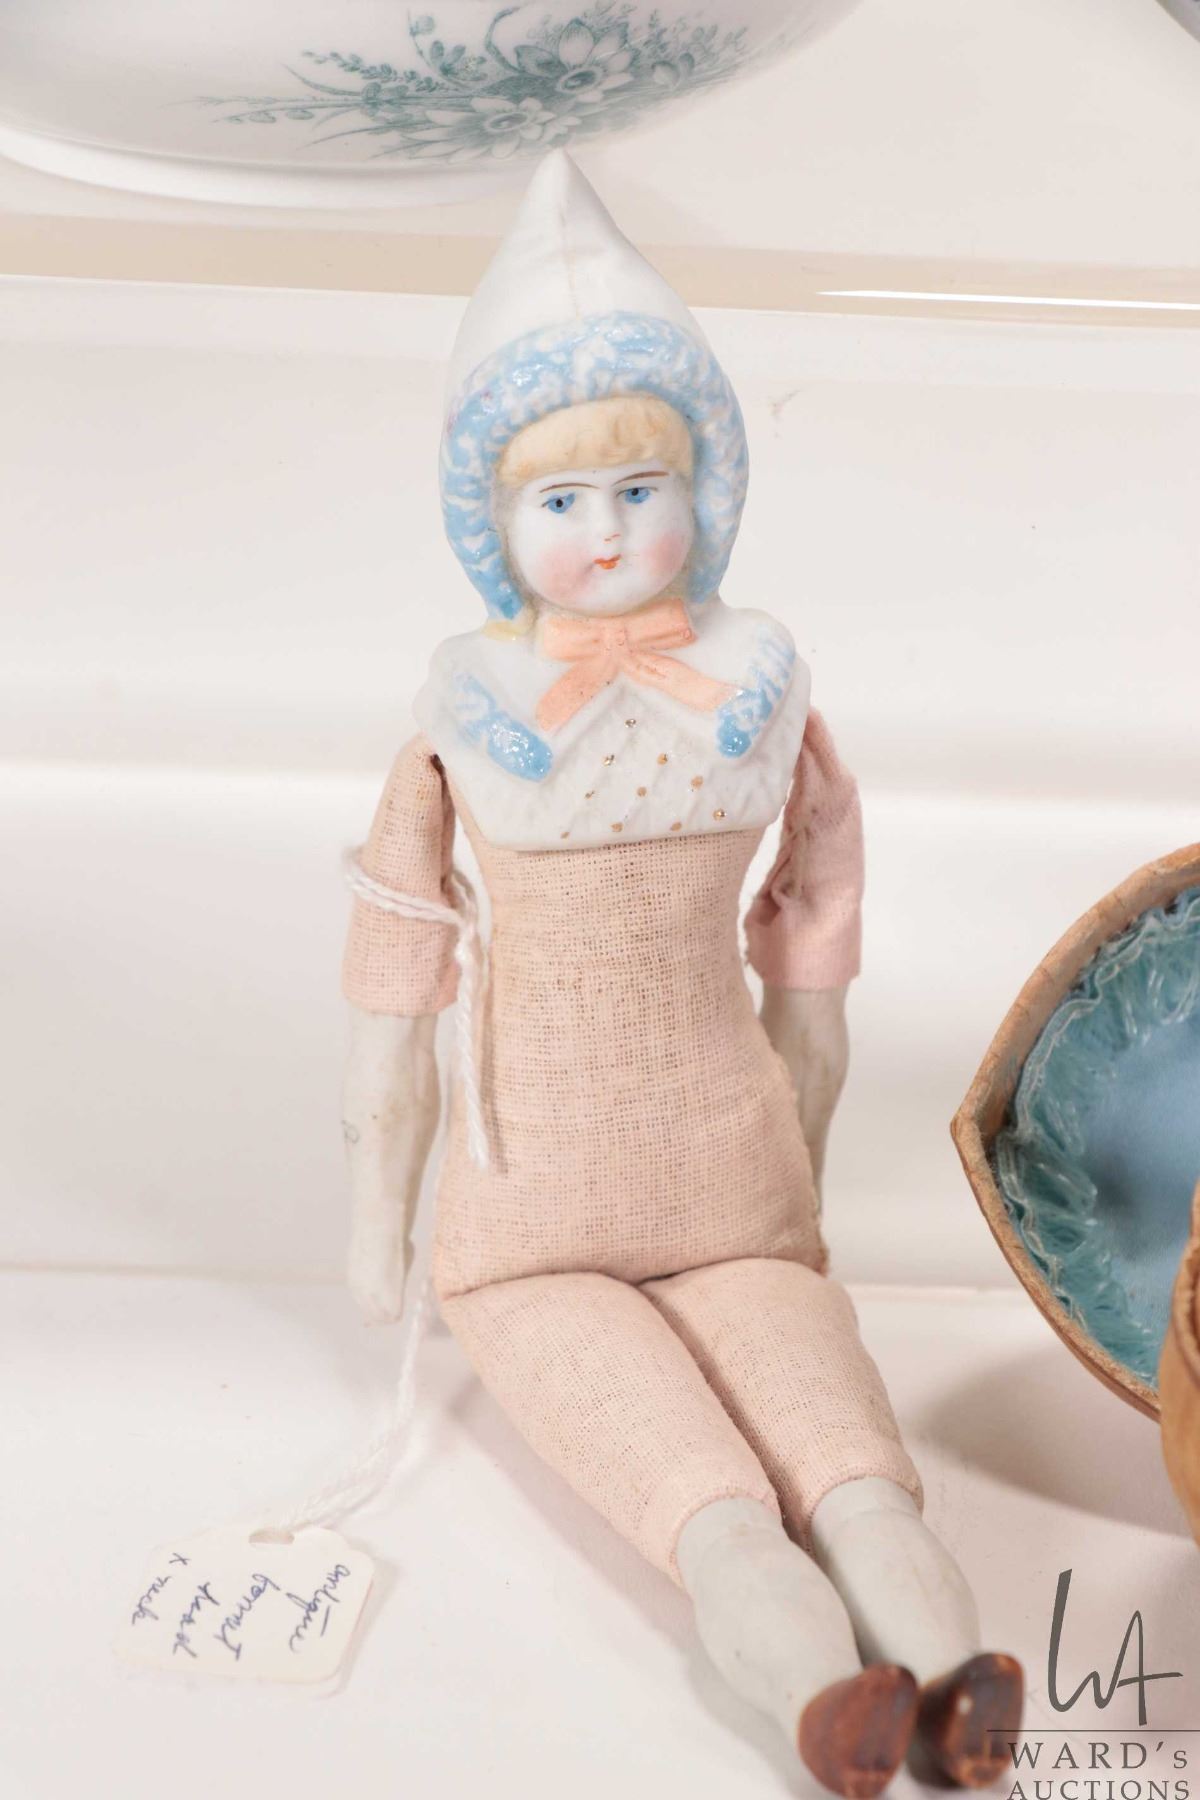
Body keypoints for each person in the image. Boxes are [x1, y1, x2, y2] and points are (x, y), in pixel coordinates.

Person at [341, 150, 1021, 1796]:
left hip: (687, 1202)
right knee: (721, 1507)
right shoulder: (478, 715)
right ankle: (847, 1705)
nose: (607, 531)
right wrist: (386, 1212)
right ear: (490, 523)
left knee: (853, 1473)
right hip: (555, 1238)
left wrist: (795, 1139)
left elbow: (809, 929)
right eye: (559, 500)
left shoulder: (750, 685)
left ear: (707, 491)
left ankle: (947, 1696)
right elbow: (404, 976)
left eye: (643, 487)